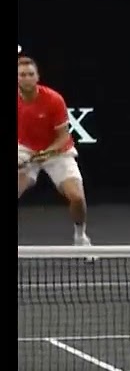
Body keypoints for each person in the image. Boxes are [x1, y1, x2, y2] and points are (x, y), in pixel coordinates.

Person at [17, 54, 93, 249]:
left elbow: (62, 137)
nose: (26, 78)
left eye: (30, 74)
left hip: (58, 151)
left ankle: (80, 237)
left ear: (37, 77)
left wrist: (44, 154)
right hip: (25, 150)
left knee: (77, 198)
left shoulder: (53, 99)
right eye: (22, 74)